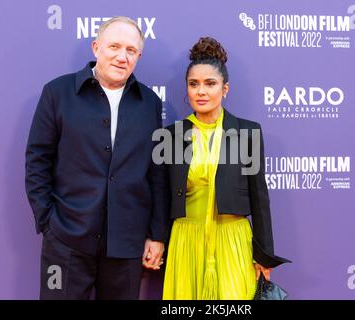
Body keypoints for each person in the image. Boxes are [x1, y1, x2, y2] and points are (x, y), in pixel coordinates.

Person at [25, 16, 168, 300]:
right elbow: (37, 160)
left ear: (138, 56)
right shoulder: (58, 93)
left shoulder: (149, 103)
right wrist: (48, 223)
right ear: (96, 48)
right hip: (66, 242)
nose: (121, 56)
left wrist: (157, 234)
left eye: (130, 50)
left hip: (126, 245)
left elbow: (156, 173)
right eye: (114, 46)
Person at [162, 37, 290, 300]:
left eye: (210, 84)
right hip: (186, 241)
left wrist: (263, 255)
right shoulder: (171, 136)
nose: (201, 91)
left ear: (225, 89)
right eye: (193, 84)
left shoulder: (247, 132)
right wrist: (155, 242)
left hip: (234, 241)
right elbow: (160, 196)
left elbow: (260, 198)